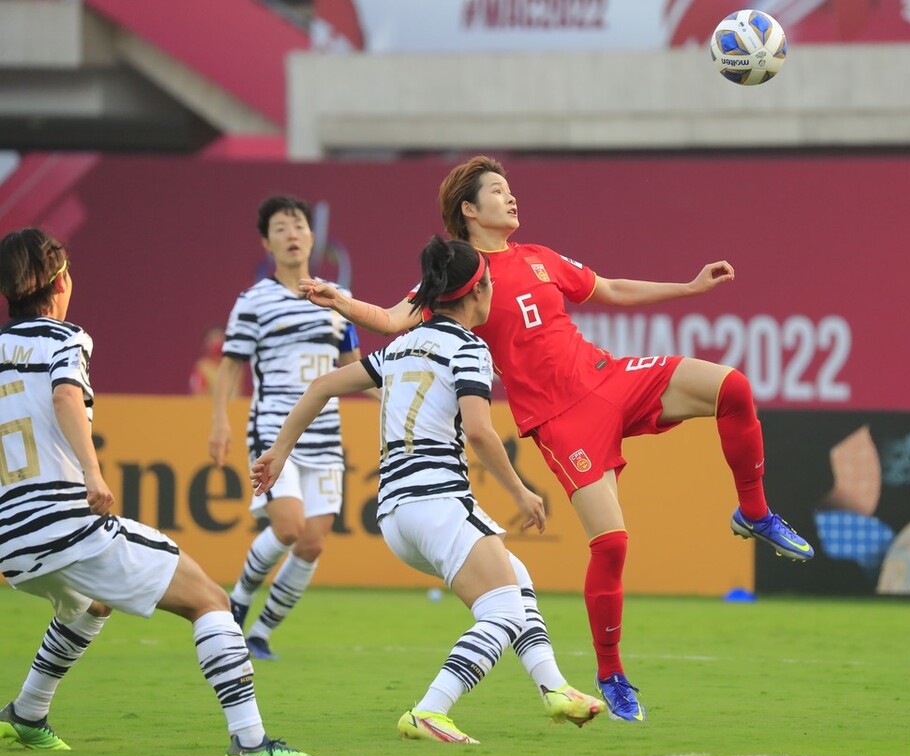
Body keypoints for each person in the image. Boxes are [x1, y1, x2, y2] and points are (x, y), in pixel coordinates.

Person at [300, 155, 814, 723]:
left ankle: (755, 512)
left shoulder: (539, 257)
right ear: (469, 210)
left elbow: (611, 288)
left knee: (733, 388)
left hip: (609, 378)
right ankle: (612, 674)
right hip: (560, 420)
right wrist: (342, 302)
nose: (512, 198)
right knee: (613, 544)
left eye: (510, 188)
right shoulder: (457, 276)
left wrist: (690, 287)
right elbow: (395, 321)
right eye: (498, 191)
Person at [252, 236, 605, 743]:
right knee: (503, 610)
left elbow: (322, 386)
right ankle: (430, 710)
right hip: (436, 502)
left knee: (515, 577)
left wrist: (279, 450)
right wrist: (521, 491)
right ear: (476, 292)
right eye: (489, 283)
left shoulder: (403, 344)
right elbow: (480, 431)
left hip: (396, 513)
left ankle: (554, 689)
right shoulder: (469, 347)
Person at [0, 228, 315, 756]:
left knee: (93, 602)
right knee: (211, 601)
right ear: (58, 283)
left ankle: (27, 713)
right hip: (65, 524)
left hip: (12, 538)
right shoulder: (65, 338)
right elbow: (64, 396)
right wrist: (93, 472)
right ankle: (251, 741)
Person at [209, 195, 370, 660]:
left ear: (312, 237)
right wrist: (219, 420)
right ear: (267, 241)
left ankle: (259, 633)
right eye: (281, 227)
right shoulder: (253, 301)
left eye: (299, 225)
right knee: (288, 526)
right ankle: (236, 604)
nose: (293, 233)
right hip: (273, 434)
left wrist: (394, 399)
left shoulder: (335, 301)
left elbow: (354, 369)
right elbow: (230, 366)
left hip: (325, 438)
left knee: (313, 542)